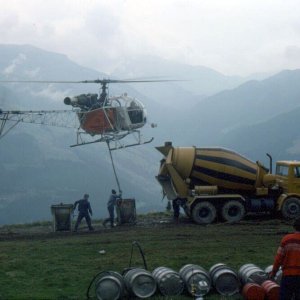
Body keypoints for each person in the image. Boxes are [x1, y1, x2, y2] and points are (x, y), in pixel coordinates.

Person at [270, 217, 300, 300]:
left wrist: (273, 272)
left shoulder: (286, 239)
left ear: (294, 227)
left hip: (288, 276)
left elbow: (278, 259)